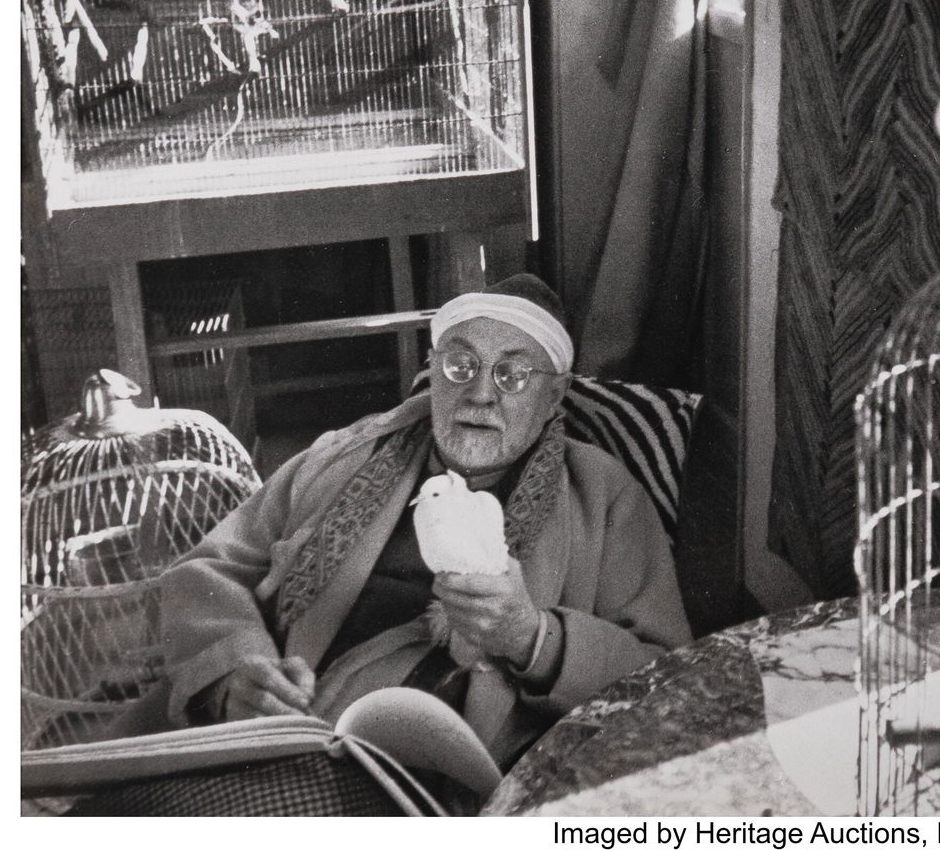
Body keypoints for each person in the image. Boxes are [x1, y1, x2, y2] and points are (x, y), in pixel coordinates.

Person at [128, 273, 691, 770]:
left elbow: (670, 678)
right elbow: (208, 571)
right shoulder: (346, 454)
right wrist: (234, 674)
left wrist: (530, 636)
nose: (479, 394)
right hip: (283, 727)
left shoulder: (604, 494)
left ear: (555, 397)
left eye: (513, 376)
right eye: (461, 365)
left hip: (446, 773)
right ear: (435, 371)